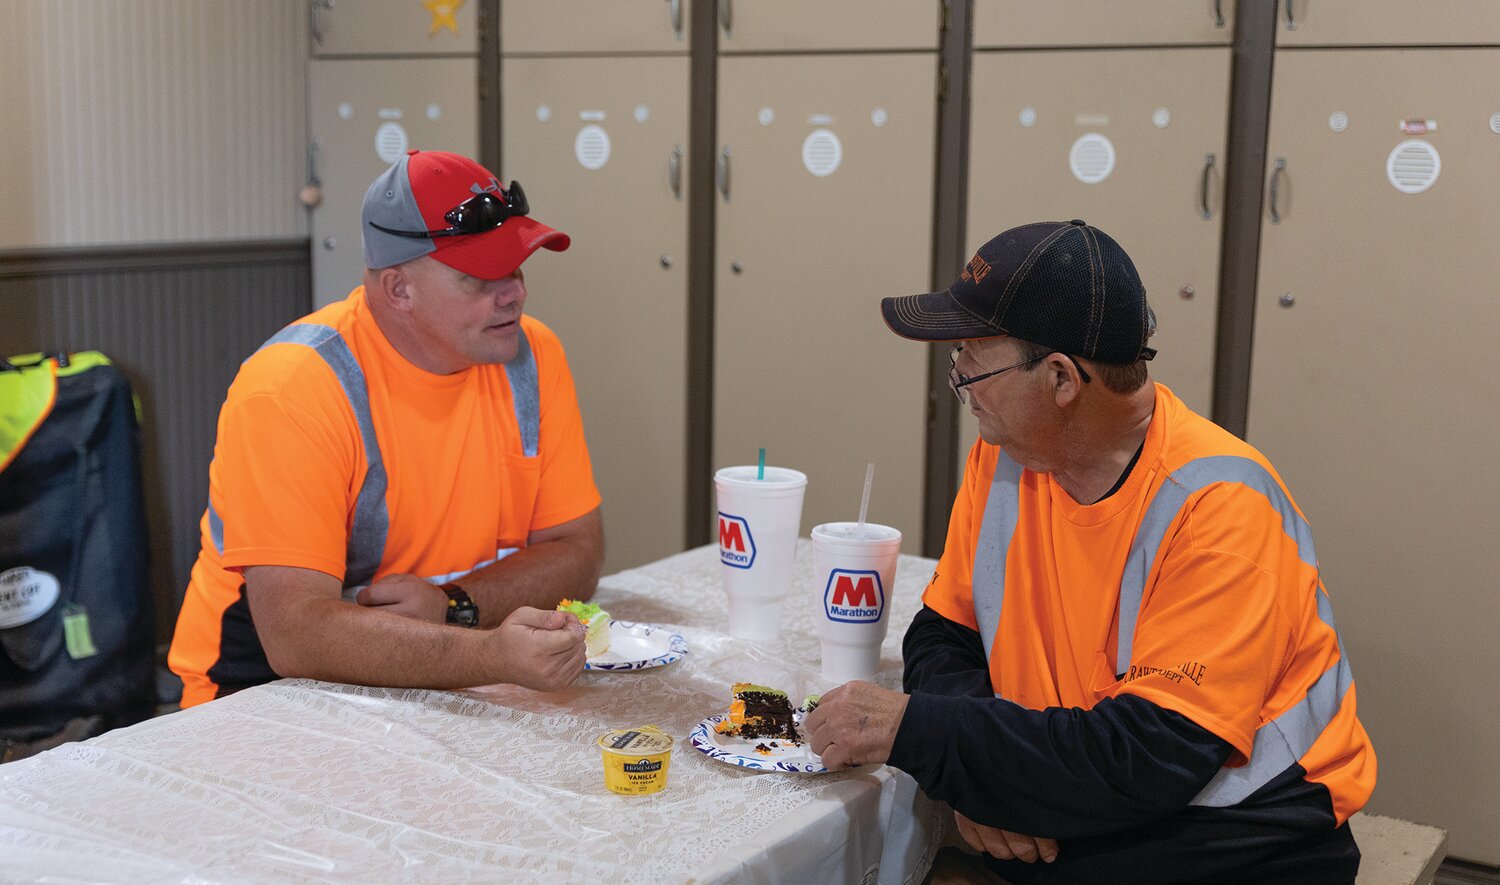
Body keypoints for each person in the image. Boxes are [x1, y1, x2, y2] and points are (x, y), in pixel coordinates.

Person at [804, 220, 1376, 883]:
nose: (958, 378)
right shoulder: (1007, 458)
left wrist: (927, 736)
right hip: (1084, 802)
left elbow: (1146, 758)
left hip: (1236, 838)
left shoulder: (1220, 504)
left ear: (1061, 379)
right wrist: (982, 780)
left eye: (969, 356)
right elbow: (943, 635)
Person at [169, 150, 604, 707]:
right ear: (399, 289)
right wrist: (489, 653)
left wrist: (454, 607)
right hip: (259, 693)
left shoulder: (532, 354)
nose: (514, 291)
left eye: (516, 266)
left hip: (438, 676)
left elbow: (578, 550)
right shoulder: (294, 386)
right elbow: (295, 633)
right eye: (481, 277)